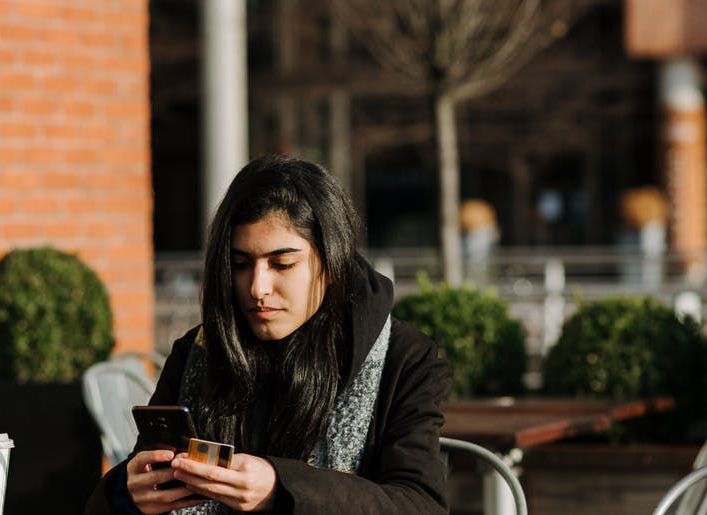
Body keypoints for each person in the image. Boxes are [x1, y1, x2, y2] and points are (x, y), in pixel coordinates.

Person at [84, 155, 452, 514]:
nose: (257, 287)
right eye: (240, 264)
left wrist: (282, 488)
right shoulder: (200, 350)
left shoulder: (403, 357)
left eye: (283, 264)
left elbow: (421, 504)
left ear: (332, 261)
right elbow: (126, 487)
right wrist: (127, 494)